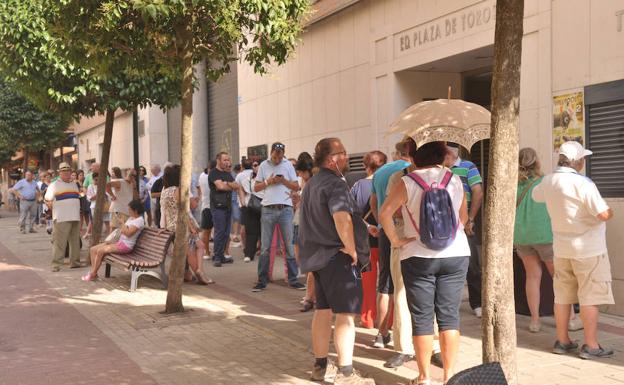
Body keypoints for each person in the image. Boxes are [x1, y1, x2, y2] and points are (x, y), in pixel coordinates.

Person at [380, 141, 470, 385]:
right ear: (442, 157)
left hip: (417, 255)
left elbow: (384, 212)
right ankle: (450, 377)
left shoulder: (407, 181)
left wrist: (396, 240)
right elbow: (462, 217)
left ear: (416, 159)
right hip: (456, 253)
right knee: (449, 317)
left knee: (422, 318)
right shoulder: (455, 179)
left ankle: (424, 378)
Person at [299, 138, 375, 385]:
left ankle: (320, 366)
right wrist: (352, 250)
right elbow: (341, 219)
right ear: (332, 159)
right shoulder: (335, 184)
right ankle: (345, 372)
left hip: (318, 259)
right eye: (342, 152)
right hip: (336, 256)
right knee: (345, 314)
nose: (346, 155)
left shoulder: (311, 184)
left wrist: (363, 227)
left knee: (322, 310)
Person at [532, 141, 615, 359]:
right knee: (590, 297)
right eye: (583, 159)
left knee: (562, 296)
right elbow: (603, 214)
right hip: (589, 249)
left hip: (561, 248)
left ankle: (562, 341)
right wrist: (610, 211)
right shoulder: (583, 183)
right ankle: (591, 345)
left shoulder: (548, 181)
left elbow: (535, 196)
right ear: (577, 161)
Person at [369, 143, 412, 349]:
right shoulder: (412, 169)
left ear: (396, 153)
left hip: (385, 232)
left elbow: (373, 201)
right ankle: (403, 333)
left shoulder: (380, 173)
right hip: (405, 232)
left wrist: (379, 222)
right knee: (405, 285)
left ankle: (381, 333)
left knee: (385, 282)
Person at [252, 142, 303, 292]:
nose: (277, 160)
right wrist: (269, 181)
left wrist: (283, 181)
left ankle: (293, 279)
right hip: (268, 209)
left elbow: (296, 186)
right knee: (265, 247)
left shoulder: (288, 165)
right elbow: (255, 187)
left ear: (283, 154)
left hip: (285, 209)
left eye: (280, 157)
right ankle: (262, 280)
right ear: (271, 153)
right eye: (275, 156)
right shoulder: (263, 165)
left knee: (288, 246)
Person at [445, 143, 484, 318]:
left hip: (463, 222)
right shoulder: (441, 170)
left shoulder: (468, 167)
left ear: (452, 153)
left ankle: (477, 303)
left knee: (472, 263)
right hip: (445, 223)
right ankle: (450, 302)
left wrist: (471, 218)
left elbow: (477, 192)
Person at [160, 164, 214, 285]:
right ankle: (200, 274)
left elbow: (165, 211)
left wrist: (163, 227)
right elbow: (183, 211)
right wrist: (191, 226)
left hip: (171, 226)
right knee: (191, 250)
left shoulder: (165, 191)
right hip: (182, 225)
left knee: (199, 245)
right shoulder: (179, 190)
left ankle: (198, 271)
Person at [350, 151, 387, 327]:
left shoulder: (358, 185)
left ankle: (368, 318)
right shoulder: (389, 183)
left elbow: (352, 214)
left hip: (366, 241)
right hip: (387, 238)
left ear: (366, 166)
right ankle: (389, 319)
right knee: (388, 283)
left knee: (368, 281)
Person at [82, 199, 146, 281]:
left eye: (130, 210)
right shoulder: (131, 219)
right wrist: (123, 226)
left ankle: (93, 274)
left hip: (125, 245)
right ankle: (93, 273)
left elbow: (128, 233)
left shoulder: (139, 221)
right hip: (119, 242)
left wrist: (122, 223)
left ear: (136, 210)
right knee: (92, 249)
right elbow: (124, 231)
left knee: (100, 251)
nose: (128, 211)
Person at [45, 162, 82, 272]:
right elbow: (47, 199)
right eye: (63, 171)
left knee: (75, 241)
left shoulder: (74, 184)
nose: (66, 173)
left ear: (71, 172)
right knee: (59, 242)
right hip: (61, 217)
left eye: (68, 171)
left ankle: (75, 262)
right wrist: (51, 207)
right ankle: (56, 265)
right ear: (60, 173)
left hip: (75, 216)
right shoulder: (54, 185)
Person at [293, 153, 316, 312]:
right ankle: (311, 295)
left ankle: (310, 297)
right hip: (299, 221)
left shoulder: (314, 183)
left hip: (306, 225)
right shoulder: (307, 182)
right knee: (304, 260)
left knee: (310, 263)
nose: (299, 175)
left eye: (301, 172)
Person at [209, 153, 239, 267]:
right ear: (218, 160)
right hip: (217, 207)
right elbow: (220, 187)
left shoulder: (227, 173)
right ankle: (216, 256)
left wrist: (227, 184)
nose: (227, 162)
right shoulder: (213, 173)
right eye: (225, 159)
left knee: (226, 233)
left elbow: (236, 186)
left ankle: (221, 255)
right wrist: (228, 186)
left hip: (227, 206)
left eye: (228, 159)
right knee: (219, 232)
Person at [238, 160, 263, 263]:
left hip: (265, 206)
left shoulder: (268, 178)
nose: (256, 167)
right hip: (251, 207)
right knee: (251, 232)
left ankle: (262, 251)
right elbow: (241, 188)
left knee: (264, 231)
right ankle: (249, 254)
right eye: (254, 165)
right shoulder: (248, 178)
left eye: (258, 165)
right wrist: (243, 203)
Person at [107, 167, 135, 232]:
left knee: (123, 230)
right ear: (125, 174)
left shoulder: (132, 184)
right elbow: (107, 185)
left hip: (127, 210)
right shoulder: (120, 181)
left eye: (134, 175)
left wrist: (135, 187)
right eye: (131, 175)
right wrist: (112, 195)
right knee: (114, 229)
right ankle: (111, 242)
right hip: (118, 210)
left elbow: (135, 197)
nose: (132, 177)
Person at [198, 160, 216, 260]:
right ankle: (218, 252)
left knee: (206, 231)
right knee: (217, 231)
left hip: (205, 206)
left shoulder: (201, 176)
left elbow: (200, 189)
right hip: (215, 206)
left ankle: (207, 252)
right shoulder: (215, 176)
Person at [230, 163, 243, 245]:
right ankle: (235, 235)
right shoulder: (236, 176)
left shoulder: (233, 175)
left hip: (234, 199)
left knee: (236, 218)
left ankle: (236, 235)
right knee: (237, 217)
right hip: (235, 199)